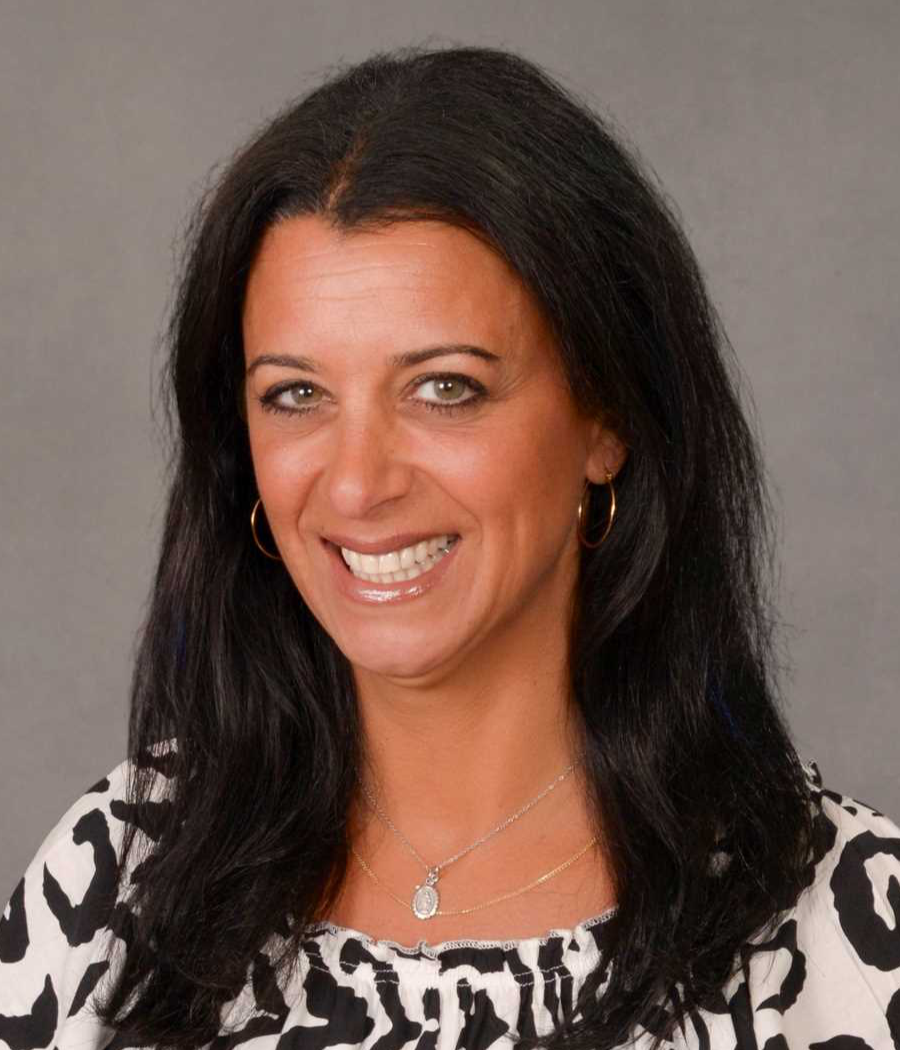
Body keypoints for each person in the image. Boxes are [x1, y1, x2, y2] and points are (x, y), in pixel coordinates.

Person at [1, 43, 898, 1050]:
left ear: (606, 417)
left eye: (445, 389)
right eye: (296, 396)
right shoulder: (119, 882)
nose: (355, 482)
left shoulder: (853, 934)